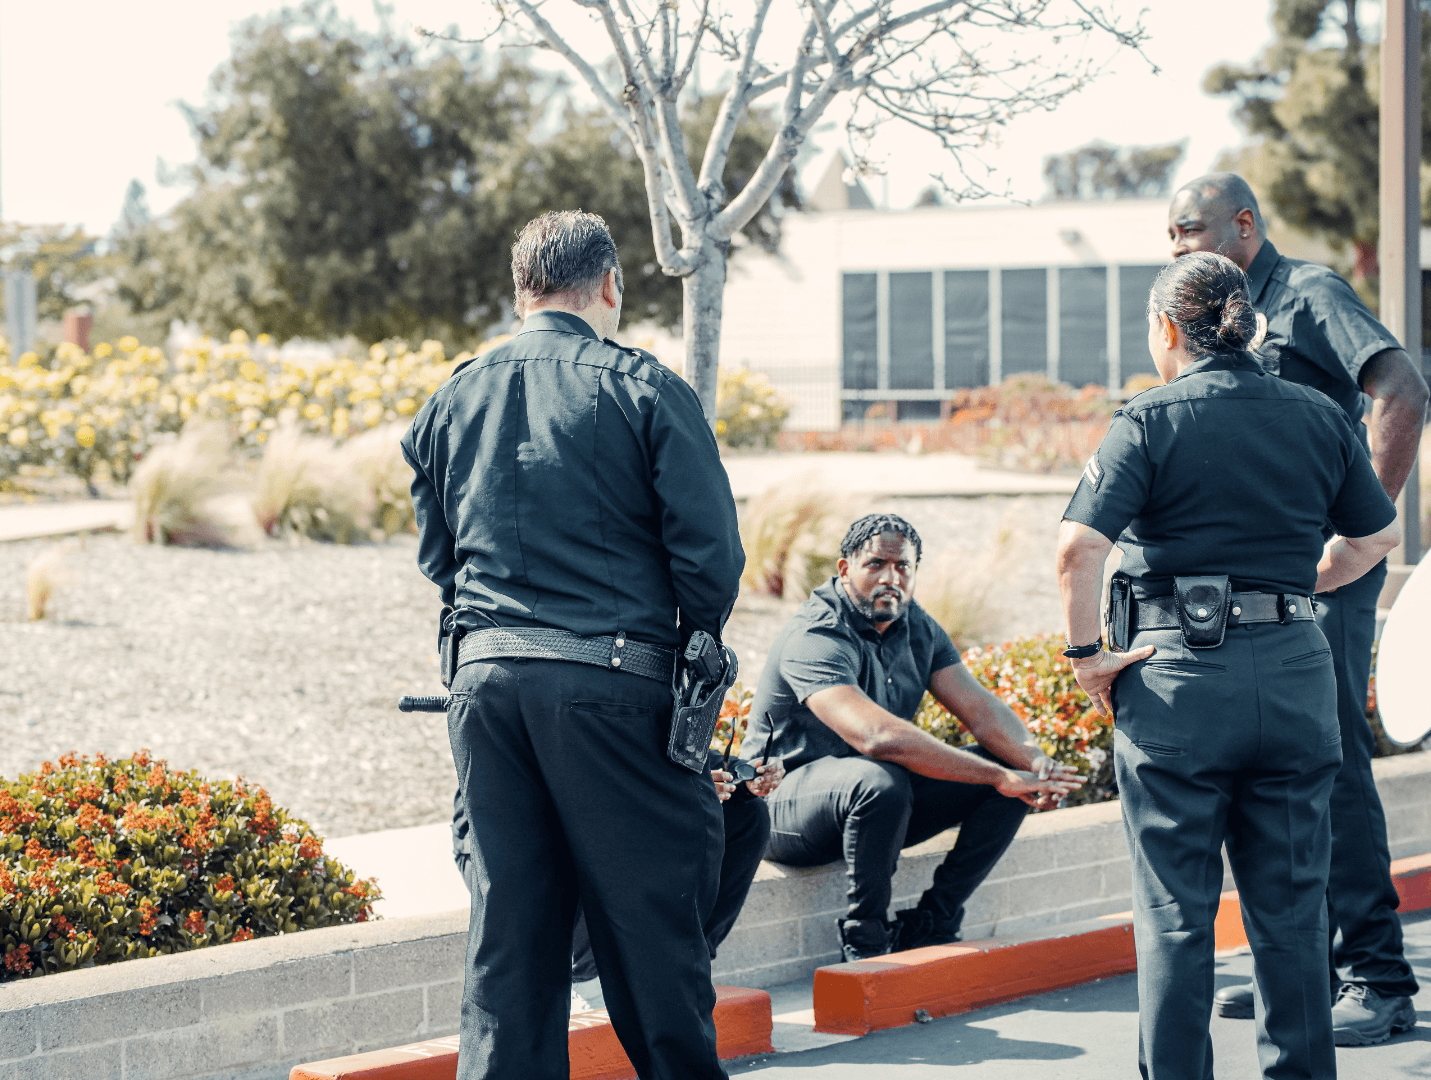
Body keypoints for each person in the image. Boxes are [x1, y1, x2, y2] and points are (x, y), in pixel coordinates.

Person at [401, 210, 745, 1080]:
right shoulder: (643, 388)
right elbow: (710, 560)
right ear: (611, 287)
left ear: (521, 292)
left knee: (508, 932)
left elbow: (438, 558)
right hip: (610, 685)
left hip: (484, 687)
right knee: (650, 927)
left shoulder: (450, 396)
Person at [1057, 251, 1402, 1080]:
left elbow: (1077, 551)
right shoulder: (1319, 416)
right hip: (1291, 673)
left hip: (1177, 686)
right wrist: (1293, 587)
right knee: (1289, 911)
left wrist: (1084, 658)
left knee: (1174, 915)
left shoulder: (1147, 419)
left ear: (1168, 327)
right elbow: (1376, 538)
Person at [1167, 173, 1428, 1045]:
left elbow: (1400, 387)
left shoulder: (1308, 292)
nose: (1177, 250)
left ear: (1245, 224)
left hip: (1326, 578)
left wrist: (1362, 537)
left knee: (1335, 761)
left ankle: (1380, 980)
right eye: (1168, 237)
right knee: (1287, 767)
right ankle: (1306, 968)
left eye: (1191, 231)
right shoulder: (1227, 315)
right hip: (1270, 585)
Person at [739, 512, 1084, 962]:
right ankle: (866, 942)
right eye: (876, 565)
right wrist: (995, 773)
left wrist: (1035, 766)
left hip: (875, 806)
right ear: (845, 570)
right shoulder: (817, 633)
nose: (891, 578)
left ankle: (931, 921)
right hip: (782, 806)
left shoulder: (915, 626)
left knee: (1008, 780)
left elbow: (980, 710)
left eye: (903, 567)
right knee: (882, 779)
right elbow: (877, 737)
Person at [449, 748, 785, 1011]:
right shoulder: (570, 670)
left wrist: (742, 774)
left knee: (744, 814)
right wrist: (671, 787)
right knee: (607, 824)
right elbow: (588, 778)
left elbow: (658, 742)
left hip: (601, 799)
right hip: (502, 842)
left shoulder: (643, 669)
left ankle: (679, 965)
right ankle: (582, 977)